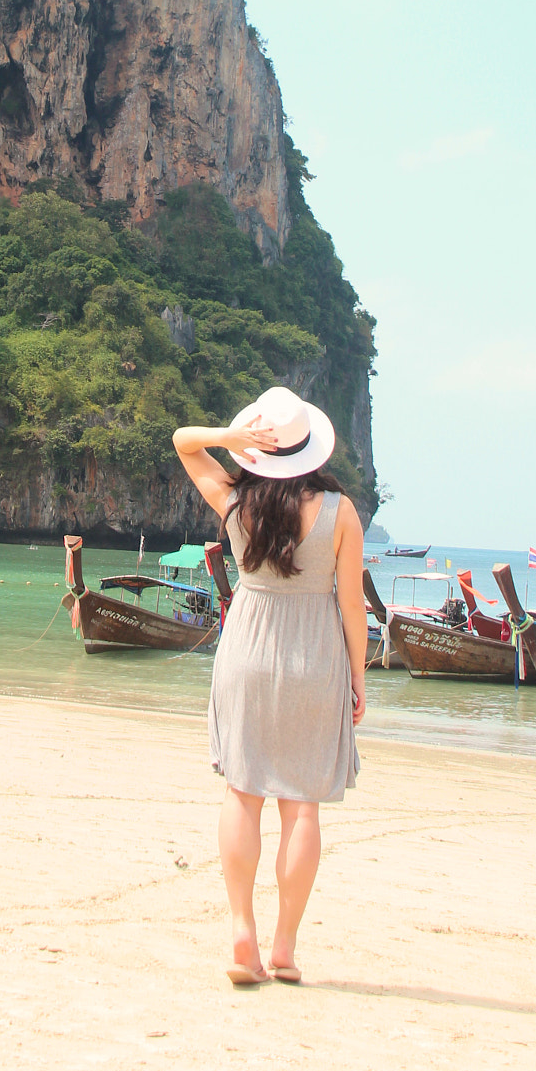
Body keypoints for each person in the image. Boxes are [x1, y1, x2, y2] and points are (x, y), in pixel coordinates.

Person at [172, 385, 368, 987]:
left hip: (247, 653)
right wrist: (357, 677)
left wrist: (230, 442)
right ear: (312, 448)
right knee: (301, 803)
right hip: (315, 657)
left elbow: (183, 442)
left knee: (243, 792)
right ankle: (283, 948)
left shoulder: (233, 501)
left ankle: (241, 932)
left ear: (259, 449)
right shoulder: (340, 514)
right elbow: (354, 607)